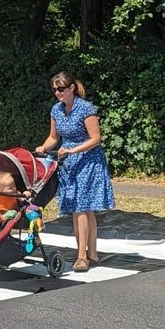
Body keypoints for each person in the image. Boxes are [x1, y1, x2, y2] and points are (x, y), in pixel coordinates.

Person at [35, 71, 115, 273]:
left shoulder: (85, 108)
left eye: (61, 89)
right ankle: (92, 253)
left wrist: (72, 150)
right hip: (68, 162)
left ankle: (82, 257)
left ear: (71, 88)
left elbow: (95, 138)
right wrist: (43, 148)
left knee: (81, 207)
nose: (57, 93)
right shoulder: (56, 110)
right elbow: (53, 137)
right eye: (54, 89)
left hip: (88, 161)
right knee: (81, 208)